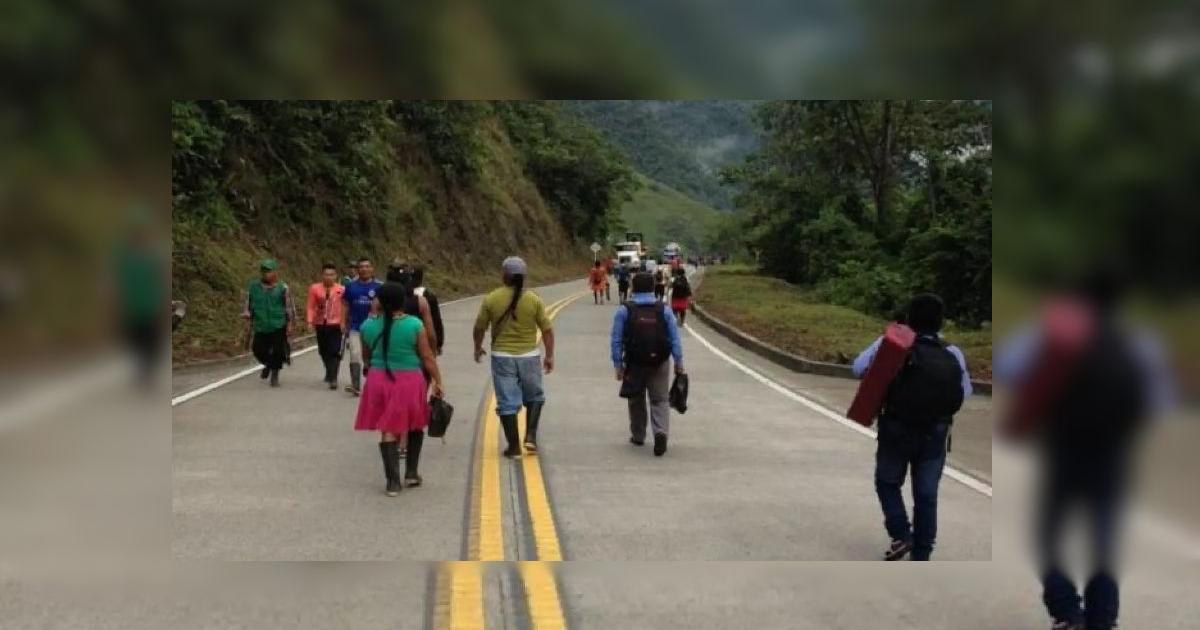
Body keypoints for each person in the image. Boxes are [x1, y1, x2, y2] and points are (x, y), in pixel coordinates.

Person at [995, 269, 1170, 630]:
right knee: (1103, 542)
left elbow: (1008, 368)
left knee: (1048, 536)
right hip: (1112, 454)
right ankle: (1102, 620)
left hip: (1063, 449)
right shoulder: (1140, 342)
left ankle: (1066, 612)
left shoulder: (1053, 335)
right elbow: (1158, 402)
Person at [852, 293, 970, 561]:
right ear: (941, 323)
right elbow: (966, 391)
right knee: (926, 494)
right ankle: (922, 552)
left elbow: (858, 368)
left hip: (897, 428)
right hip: (936, 433)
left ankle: (901, 534)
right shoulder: (952, 353)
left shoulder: (893, 345)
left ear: (909, 320)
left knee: (887, 482)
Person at [354, 283, 444, 496]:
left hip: (378, 379)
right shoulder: (414, 324)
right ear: (402, 301)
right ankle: (411, 473)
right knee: (414, 423)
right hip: (409, 380)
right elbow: (427, 357)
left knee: (387, 428)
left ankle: (392, 482)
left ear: (379, 302)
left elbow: (366, 358)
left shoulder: (368, 326)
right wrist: (437, 381)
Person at [473, 256, 555, 457]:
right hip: (529, 356)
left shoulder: (491, 298)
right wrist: (549, 356)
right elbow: (547, 330)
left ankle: (514, 447)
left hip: (502, 357)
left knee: (507, 401)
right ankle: (531, 438)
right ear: (524, 277)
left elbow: (479, 327)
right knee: (534, 396)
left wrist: (477, 347)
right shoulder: (533, 299)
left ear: (504, 275)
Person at [611, 272, 685, 457]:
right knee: (659, 399)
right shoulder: (664, 310)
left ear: (632, 288)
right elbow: (674, 338)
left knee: (635, 398)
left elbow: (616, 340)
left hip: (634, 362)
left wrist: (618, 364)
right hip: (659, 361)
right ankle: (660, 433)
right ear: (653, 288)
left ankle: (638, 435)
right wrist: (678, 361)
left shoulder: (625, 310)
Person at [241, 258, 296, 387]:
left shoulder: (283, 288)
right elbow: (247, 304)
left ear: (275, 272)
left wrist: (290, 323)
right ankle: (269, 365)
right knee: (257, 349)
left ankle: (275, 374)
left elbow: (289, 307)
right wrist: (247, 319)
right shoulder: (253, 287)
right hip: (260, 324)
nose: (266, 274)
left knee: (278, 351)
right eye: (264, 271)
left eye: (269, 271)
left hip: (278, 324)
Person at [342, 258, 383, 396]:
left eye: (367, 266)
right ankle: (355, 385)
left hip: (375, 328)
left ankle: (374, 385)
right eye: (361, 267)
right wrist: (343, 322)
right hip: (355, 327)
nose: (364, 269)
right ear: (358, 270)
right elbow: (346, 305)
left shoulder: (379, 287)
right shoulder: (350, 286)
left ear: (372, 269)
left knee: (373, 358)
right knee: (354, 355)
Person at [306, 263, 346, 390]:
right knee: (323, 351)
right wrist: (309, 321)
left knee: (334, 350)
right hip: (320, 323)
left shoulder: (342, 290)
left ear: (336, 276)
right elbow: (310, 306)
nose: (329, 277)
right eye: (326, 274)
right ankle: (329, 371)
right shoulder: (315, 288)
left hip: (335, 324)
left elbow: (345, 308)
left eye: (332, 275)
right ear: (322, 275)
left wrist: (344, 322)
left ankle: (333, 378)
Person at [411, 264, 445, 356]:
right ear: (422, 278)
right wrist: (438, 343)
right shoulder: (429, 296)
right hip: (425, 340)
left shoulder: (400, 294)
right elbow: (436, 320)